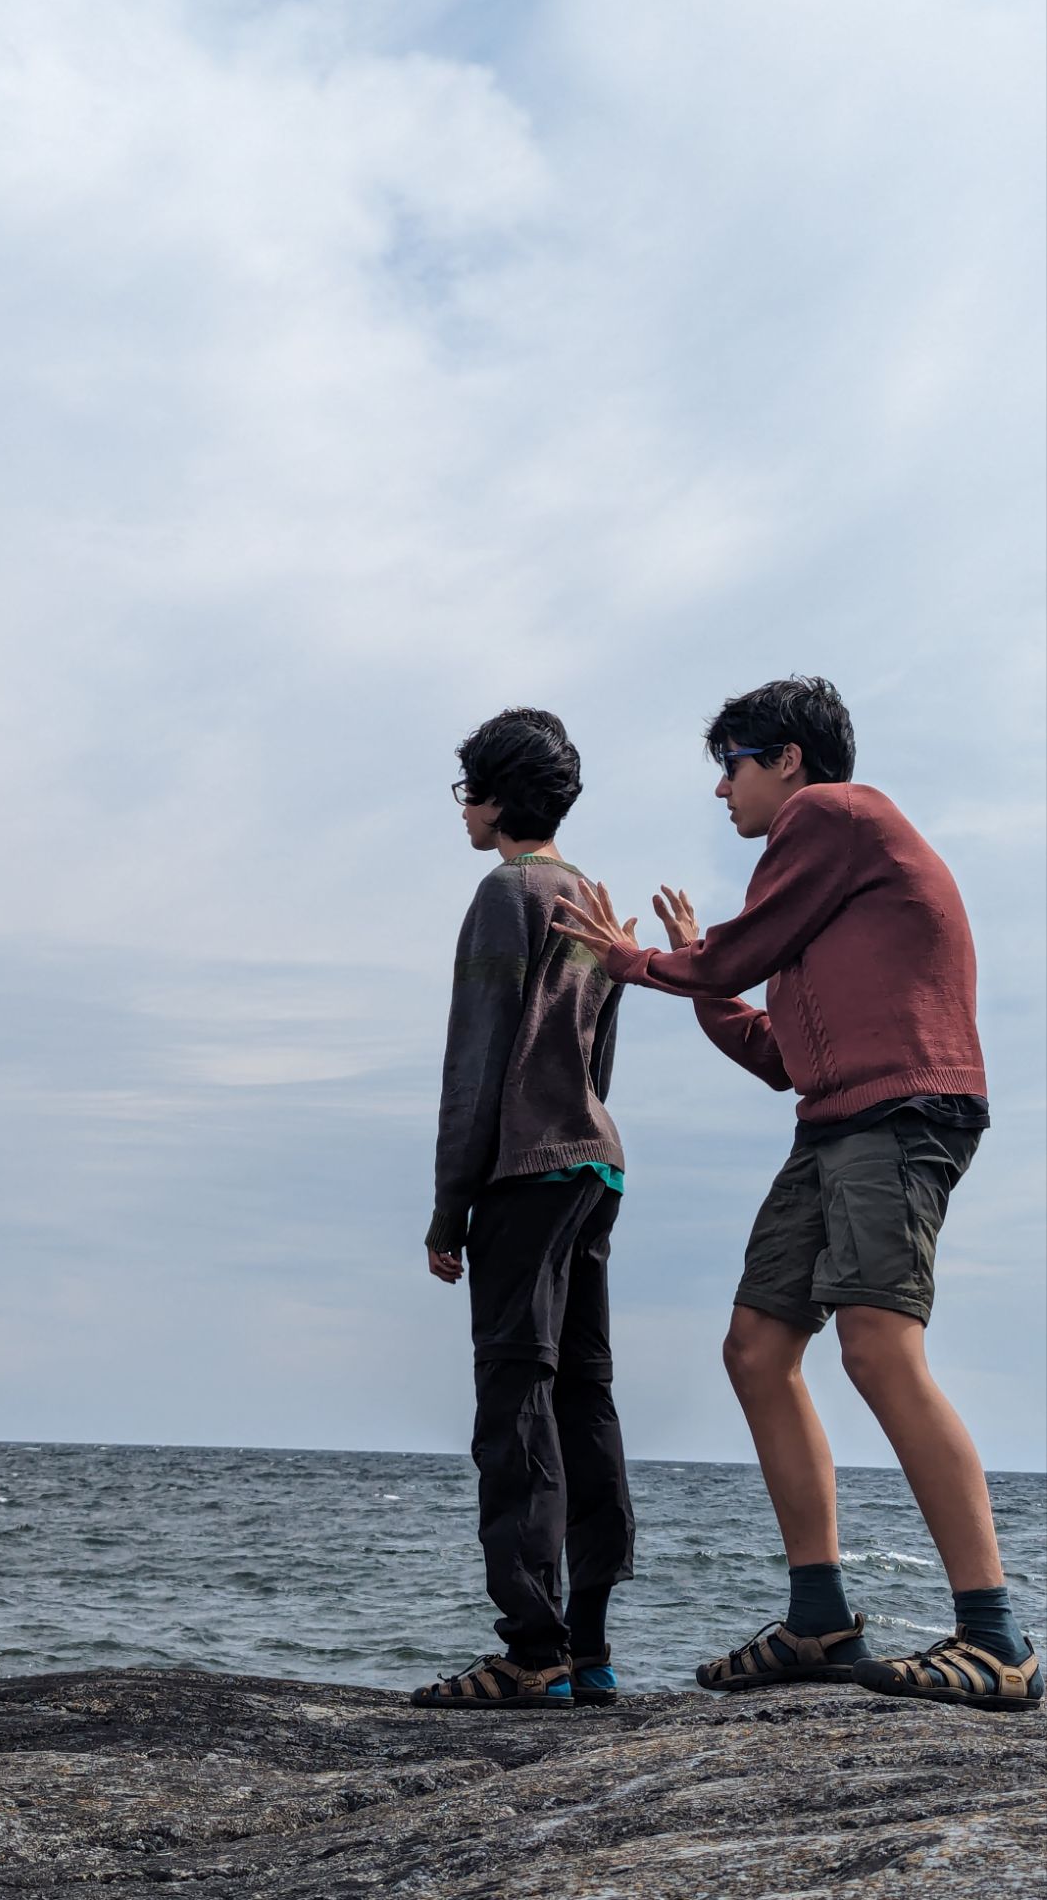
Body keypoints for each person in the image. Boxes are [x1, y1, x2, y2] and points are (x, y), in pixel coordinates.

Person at [556, 675, 1041, 1711]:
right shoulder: (824, 892)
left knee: (877, 1345)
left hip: (900, 1113)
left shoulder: (834, 814)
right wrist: (703, 976)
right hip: (832, 1121)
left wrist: (644, 960)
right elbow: (781, 1054)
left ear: (787, 760)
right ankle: (819, 1616)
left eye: (730, 764)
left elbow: (734, 951)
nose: (721, 788)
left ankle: (997, 1637)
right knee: (757, 1349)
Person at [410, 708, 634, 1711]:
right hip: (594, 1166)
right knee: (584, 1396)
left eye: (469, 792)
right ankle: (590, 1648)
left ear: (498, 797)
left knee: (515, 1401)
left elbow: (478, 1057)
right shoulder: (591, 897)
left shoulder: (508, 893)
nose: (464, 810)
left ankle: (532, 1649)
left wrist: (447, 1208)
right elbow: (598, 1057)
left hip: (526, 1173)